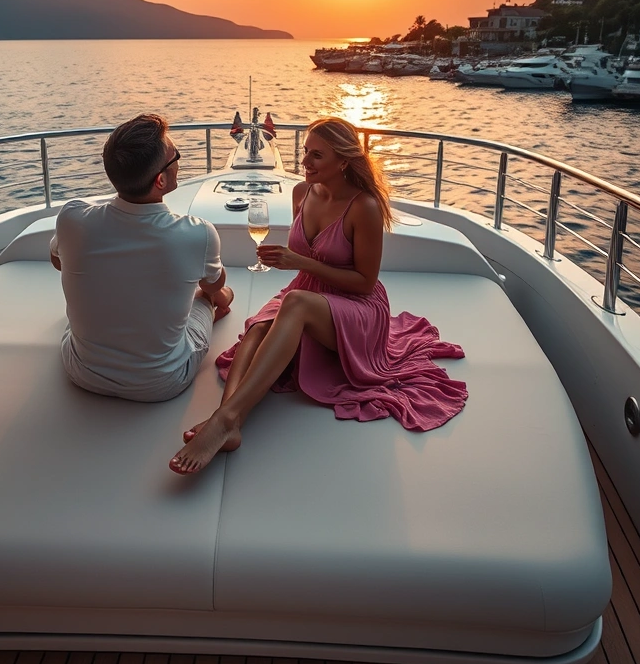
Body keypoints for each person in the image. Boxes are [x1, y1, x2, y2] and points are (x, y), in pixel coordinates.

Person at [169, 117, 466, 474]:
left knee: (291, 304)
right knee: (258, 330)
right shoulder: (301, 192)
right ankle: (227, 420)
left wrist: (299, 261)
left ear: (343, 160)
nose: (305, 162)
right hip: (310, 292)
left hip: (358, 306)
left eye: (317, 156)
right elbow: (307, 268)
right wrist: (298, 265)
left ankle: (224, 420)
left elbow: (365, 283)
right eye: (306, 152)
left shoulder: (364, 207)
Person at [50, 113, 233, 402]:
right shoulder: (197, 234)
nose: (178, 161)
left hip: (82, 371)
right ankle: (210, 310)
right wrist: (214, 298)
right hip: (160, 382)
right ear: (160, 180)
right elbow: (214, 285)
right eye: (176, 156)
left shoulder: (73, 218)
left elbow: (58, 261)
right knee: (216, 296)